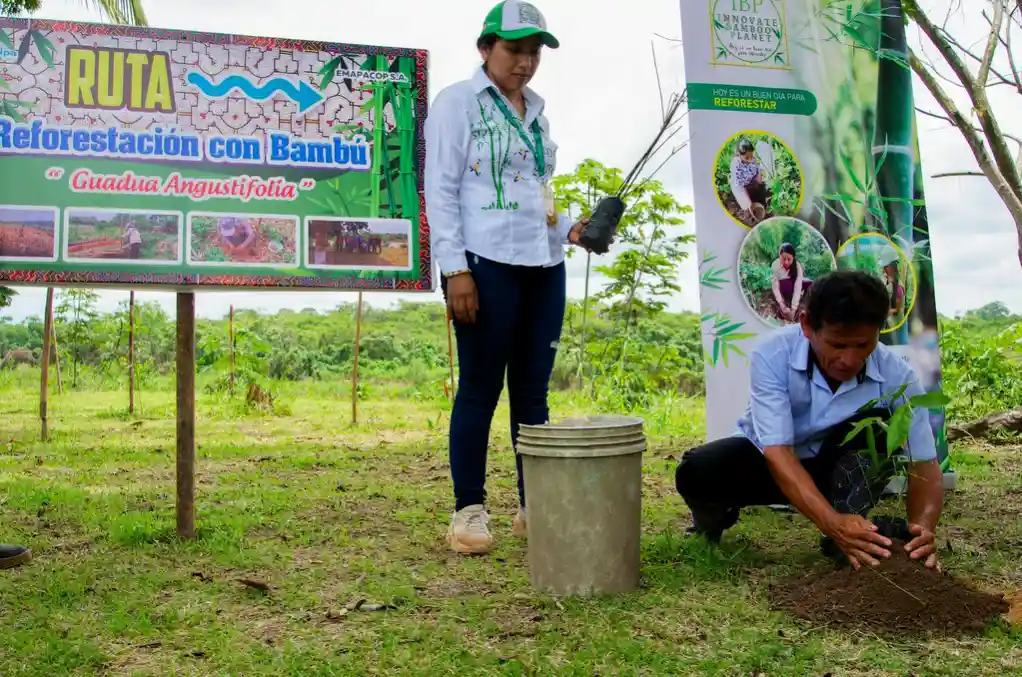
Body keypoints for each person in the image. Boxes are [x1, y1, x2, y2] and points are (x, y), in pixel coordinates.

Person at [425, 0, 590, 555]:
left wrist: (572, 228)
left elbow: (538, 195)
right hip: (485, 262)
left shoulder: (537, 114)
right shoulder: (457, 103)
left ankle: (532, 505)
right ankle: (468, 510)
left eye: (534, 52)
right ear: (485, 48)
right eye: (513, 49)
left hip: (544, 264)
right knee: (480, 387)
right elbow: (441, 192)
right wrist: (455, 270)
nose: (524, 62)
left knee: (533, 391)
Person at [675, 270, 944, 570]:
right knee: (697, 469)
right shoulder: (773, 355)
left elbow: (924, 462)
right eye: (838, 345)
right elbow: (778, 451)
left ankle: (851, 526)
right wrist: (831, 523)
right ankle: (712, 522)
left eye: (863, 345)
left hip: (836, 469)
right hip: (770, 464)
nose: (850, 360)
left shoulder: (898, 376)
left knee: (879, 426)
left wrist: (922, 530)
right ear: (806, 325)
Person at [729, 138, 770, 223]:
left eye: (751, 156)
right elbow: (740, 186)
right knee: (746, 207)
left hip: (751, 181)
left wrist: (759, 183)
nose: (750, 159)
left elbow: (758, 171)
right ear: (739, 154)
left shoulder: (754, 158)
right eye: (747, 158)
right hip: (741, 187)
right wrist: (749, 203)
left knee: (763, 187)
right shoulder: (736, 164)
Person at [771, 242, 811, 323]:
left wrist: (793, 309)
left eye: (789, 259)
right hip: (784, 287)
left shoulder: (797, 266)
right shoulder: (775, 265)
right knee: (786, 284)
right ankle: (786, 303)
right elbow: (775, 286)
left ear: (793, 258)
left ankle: (803, 305)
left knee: (810, 283)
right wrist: (782, 305)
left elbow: (798, 286)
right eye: (783, 259)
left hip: (794, 285)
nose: (786, 262)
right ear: (779, 256)